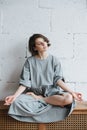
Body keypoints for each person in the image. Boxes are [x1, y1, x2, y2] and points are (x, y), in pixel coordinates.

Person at [4, 34, 83, 123]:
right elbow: (25, 83)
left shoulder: (54, 60)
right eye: (40, 43)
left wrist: (72, 92)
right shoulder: (29, 61)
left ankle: (41, 99)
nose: (44, 44)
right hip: (33, 94)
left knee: (68, 98)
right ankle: (48, 101)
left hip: (52, 93)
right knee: (17, 102)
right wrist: (14, 96)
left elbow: (58, 80)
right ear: (34, 48)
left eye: (44, 42)